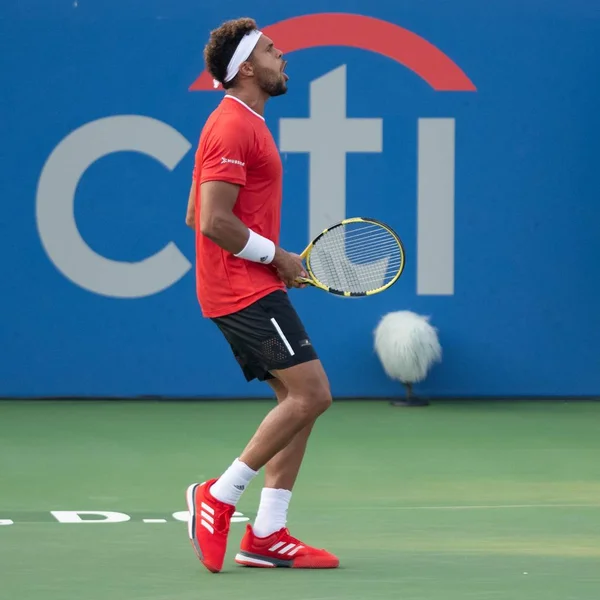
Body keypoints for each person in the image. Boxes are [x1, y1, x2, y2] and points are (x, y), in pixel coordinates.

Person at [183, 17, 338, 573]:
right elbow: (211, 221)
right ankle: (219, 496)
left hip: (248, 280)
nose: (284, 56)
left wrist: (270, 260)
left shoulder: (241, 122)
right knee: (312, 394)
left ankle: (268, 534)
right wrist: (275, 256)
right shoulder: (233, 126)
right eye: (273, 51)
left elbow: (195, 211)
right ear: (246, 67)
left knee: (296, 406)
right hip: (241, 288)